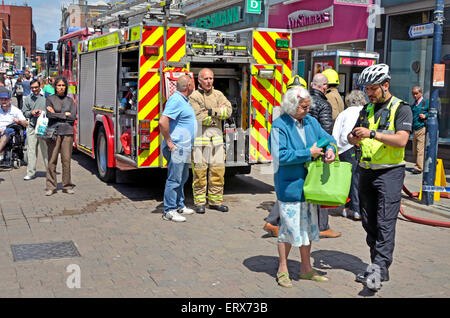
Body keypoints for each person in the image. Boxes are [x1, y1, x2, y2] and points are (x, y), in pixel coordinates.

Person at [348, 64, 412, 292]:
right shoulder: (366, 109)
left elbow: (402, 140)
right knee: (369, 222)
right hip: (365, 171)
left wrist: (373, 133)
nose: (370, 93)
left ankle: (376, 272)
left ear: (386, 85)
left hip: (390, 173)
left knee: (385, 223)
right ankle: (378, 266)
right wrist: (353, 137)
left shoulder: (401, 108)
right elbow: (354, 135)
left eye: (373, 88)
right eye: (367, 89)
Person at [269, 86, 336, 287]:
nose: (307, 110)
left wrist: (330, 150)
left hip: (310, 186)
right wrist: (309, 153)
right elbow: (280, 155)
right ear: (291, 107)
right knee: (288, 229)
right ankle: (283, 268)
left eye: (308, 107)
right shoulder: (279, 126)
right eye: (303, 107)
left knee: (307, 228)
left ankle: (306, 269)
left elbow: (329, 139)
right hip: (290, 186)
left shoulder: (310, 121)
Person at [263, 75, 308, 237]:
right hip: (290, 171)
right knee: (286, 198)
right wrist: (308, 152)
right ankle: (274, 222)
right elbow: (281, 154)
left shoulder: (302, 117)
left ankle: (274, 222)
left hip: (293, 172)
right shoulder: (283, 120)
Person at [189, 68, 232, 214]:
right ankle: (200, 203)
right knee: (200, 174)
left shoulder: (218, 94)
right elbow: (197, 117)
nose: (209, 81)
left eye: (211, 79)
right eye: (206, 79)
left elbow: (229, 111)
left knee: (218, 173)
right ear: (199, 80)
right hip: (200, 144)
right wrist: (216, 116)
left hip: (217, 144)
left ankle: (215, 202)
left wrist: (210, 111)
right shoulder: (194, 96)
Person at [159, 75, 197, 222]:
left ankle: (179, 205)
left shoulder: (183, 100)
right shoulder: (175, 100)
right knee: (174, 179)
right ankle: (169, 210)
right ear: (188, 85)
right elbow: (163, 121)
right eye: (193, 82)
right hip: (177, 148)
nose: (194, 85)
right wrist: (169, 142)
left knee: (182, 178)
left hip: (184, 148)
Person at [308, 73, 340, 238]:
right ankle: (322, 226)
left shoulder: (304, 100)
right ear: (324, 86)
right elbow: (326, 131)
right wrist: (329, 148)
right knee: (321, 186)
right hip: (318, 150)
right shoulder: (323, 104)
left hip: (305, 150)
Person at [332, 90, 367, 221]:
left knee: (347, 180)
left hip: (344, 149)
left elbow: (335, 134)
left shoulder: (343, 113)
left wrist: (335, 150)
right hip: (359, 147)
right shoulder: (365, 111)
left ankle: (346, 208)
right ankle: (357, 210)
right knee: (357, 180)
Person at [44, 76, 76, 196]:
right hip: (53, 132)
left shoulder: (70, 100)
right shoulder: (50, 99)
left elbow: (72, 117)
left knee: (66, 160)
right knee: (52, 160)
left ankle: (67, 185)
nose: (61, 88)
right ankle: (51, 186)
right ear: (55, 87)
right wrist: (63, 115)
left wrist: (56, 114)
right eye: (59, 85)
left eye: (63, 85)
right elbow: (49, 115)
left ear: (66, 87)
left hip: (67, 132)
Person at [22, 79, 48, 180]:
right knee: (31, 150)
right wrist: (31, 112)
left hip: (43, 127)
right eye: (32, 88)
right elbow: (24, 111)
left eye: (36, 87)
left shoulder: (46, 96)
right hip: (32, 126)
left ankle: (49, 172)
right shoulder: (28, 98)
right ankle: (30, 172)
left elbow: (51, 109)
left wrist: (43, 112)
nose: (34, 89)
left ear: (39, 86)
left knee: (45, 150)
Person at [0, 87, 27, 154]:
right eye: (1, 99)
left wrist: (19, 121)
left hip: (10, 132)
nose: (3, 101)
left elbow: (26, 123)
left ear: (10, 100)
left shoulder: (16, 111)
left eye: (6, 99)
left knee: (7, 132)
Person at [410, 85, 429, 174]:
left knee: (419, 149)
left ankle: (419, 167)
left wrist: (426, 116)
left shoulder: (425, 103)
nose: (414, 95)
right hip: (415, 129)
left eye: (416, 93)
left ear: (421, 93)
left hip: (422, 128)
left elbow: (434, 112)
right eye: (413, 94)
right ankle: (417, 164)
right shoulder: (414, 104)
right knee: (414, 149)